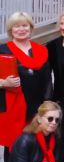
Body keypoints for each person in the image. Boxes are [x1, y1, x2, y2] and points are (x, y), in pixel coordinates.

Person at [0, 13, 52, 150]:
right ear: (11, 30)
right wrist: (3, 83)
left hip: (37, 105)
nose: (21, 29)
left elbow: (47, 79)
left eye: (25, 25)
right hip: (13, 106)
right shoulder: (3, 50)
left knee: (37, 144)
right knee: (15, 145)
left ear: (31, 28)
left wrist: (47, 103)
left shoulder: (42, 50)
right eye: (16, 26)